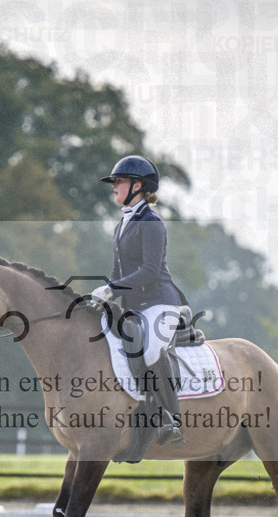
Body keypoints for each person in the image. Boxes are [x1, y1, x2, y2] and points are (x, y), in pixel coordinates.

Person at [90, 155, 187, 447]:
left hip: (160, 302)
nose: (114, 187)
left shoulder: (152, 223)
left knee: (152, 349)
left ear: (137, 185)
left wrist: (112, 288)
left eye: (118, 182)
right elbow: (117, 273)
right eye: (115, 182)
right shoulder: (122, 225)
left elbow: (149, 271)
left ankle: (172, 418)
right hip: (134, 307)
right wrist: (105, 294)